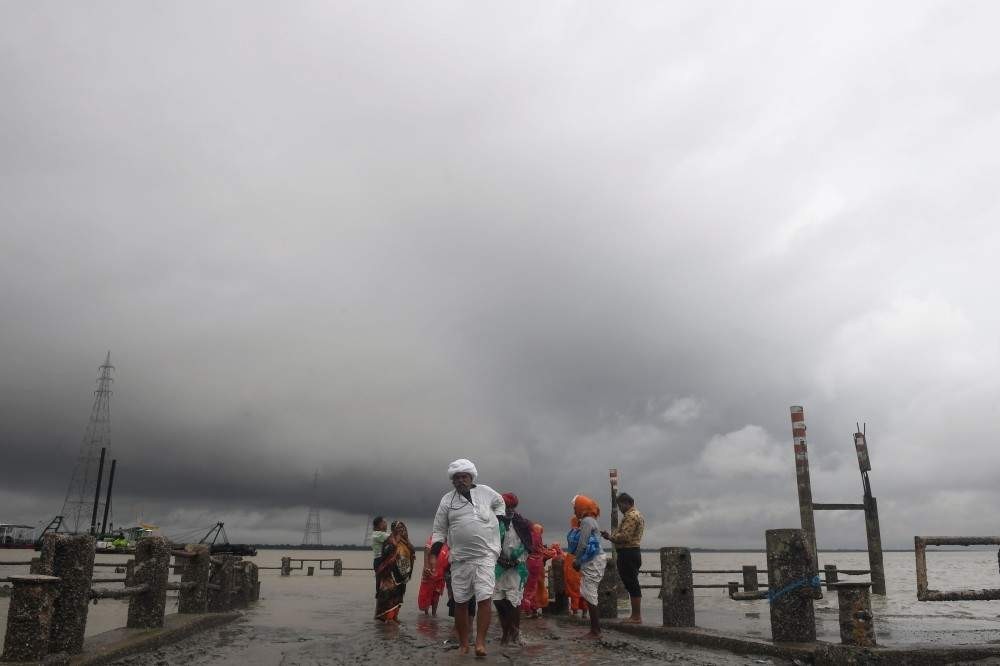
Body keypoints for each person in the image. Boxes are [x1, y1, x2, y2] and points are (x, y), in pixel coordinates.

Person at [429, 458, 506, 657]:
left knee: (484, 598)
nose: (460, 480)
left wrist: (497, 521)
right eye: (456, 478)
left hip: (485, 555)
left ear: (471, 477)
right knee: (460, 602)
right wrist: (433, 556)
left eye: (464, 476)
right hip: (460, 558)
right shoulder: (447, 500)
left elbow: (500, 503)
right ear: (452, 481)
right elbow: (439, 531)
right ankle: (464, 643)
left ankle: (480, 643)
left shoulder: (486, 492)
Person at [601, 491, 646, 624]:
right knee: (632, 583)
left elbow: (625, 536)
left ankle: (636, 616)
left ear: (628, 503)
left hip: (628, 552)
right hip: (633, 552)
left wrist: (610, 537)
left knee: (632, 584)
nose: (620, 509)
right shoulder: (637, 514)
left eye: (621, 505)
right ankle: (635, 615)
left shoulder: (631, 516)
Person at [494, 492, 531, 645]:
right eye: (505, 506)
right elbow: (491, 544)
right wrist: (500, 559)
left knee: (513, 601)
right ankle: (506, 631)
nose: (508, 509)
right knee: (498, 600)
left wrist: (516, 561)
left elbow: (527, 545)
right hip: (498, 568)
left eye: (511, 506)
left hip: (516, 569)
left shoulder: (522, 523)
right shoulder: (495, 522)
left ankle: (514, 634)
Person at [569, 494, 607, 639]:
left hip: (593, 560)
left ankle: (595, 630)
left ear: (581, 508)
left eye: (575, 508)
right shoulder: (592, 520)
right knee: (588, 593)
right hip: (596, 559)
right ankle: (595, 628)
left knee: (590, 593)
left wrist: (577, 561)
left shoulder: (586, 521)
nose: (574, 511)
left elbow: (583, 544)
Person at [375, 520, 416, 623]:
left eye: (402, 527)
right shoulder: (389, 541)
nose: (401, 530)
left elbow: (410, 555)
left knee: (398, 599)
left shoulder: (407, 542)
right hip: (391, 576)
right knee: (389, 600)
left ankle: (394, 621)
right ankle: (388, 625)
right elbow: (385, 554)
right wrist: (395, 543)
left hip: (402, 576)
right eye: (398, 528)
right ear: (393, 530)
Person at [521, 523, 557, 617]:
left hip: (527, 567)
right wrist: (554, 551)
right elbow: (547, 553)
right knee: (534, 589)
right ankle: (531, 610)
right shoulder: (538, 545)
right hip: (537, 571)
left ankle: (528, 609)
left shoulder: (526, 542)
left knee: (527, 588)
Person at [418, 535, 449, 615]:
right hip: (429, 572)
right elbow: (426, 550)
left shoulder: (448, 541)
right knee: (426, 594)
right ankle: (426, 615)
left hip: (441, 575)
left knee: (436, 596)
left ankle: (434, 615)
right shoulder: (435, 537)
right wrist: (426, 567)